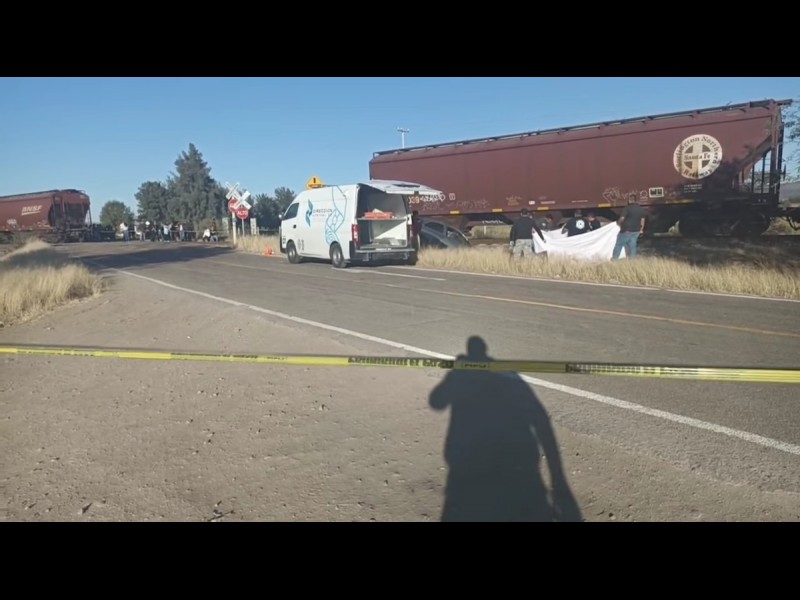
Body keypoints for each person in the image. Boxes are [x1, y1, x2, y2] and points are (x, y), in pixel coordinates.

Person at [612, 195, 646, 260]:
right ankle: (632, 260)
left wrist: (618, 223)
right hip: (636, 230)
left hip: (626, 230)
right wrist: (641, 229)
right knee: (632, 246)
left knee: (619, 245)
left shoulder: (627, 208)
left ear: (630, 200)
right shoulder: (641, 209)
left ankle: (614, 259)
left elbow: (622, 218)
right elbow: (642, 220)